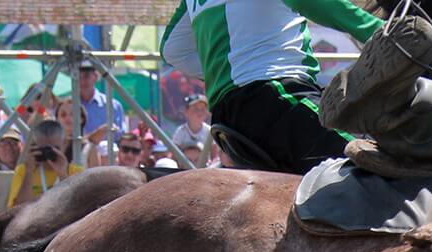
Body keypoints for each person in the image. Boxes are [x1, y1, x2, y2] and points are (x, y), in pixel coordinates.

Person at [161, 0, 385, 173]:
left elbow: (173, 49)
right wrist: (383, 31)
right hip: (276, 98)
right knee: (382, 163)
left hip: (229, 117)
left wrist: (231, 70)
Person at [6, 120, 82, 206]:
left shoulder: (76, 171)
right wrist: (28, 173)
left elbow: (77, 207)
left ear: (64, 144)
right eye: (43, 149)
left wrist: (63, 175)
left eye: (55, 149)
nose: (48, 154)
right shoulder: (23, 170)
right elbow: (16, 210)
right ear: (34, 146)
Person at [171, 92, 212, 157]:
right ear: (186, 112)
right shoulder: (181, 131)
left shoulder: (209, 131)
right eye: (196, 109)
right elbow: (174, 154)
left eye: (203, 109)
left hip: (206, 166)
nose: (200, 112)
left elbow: (215, 155)